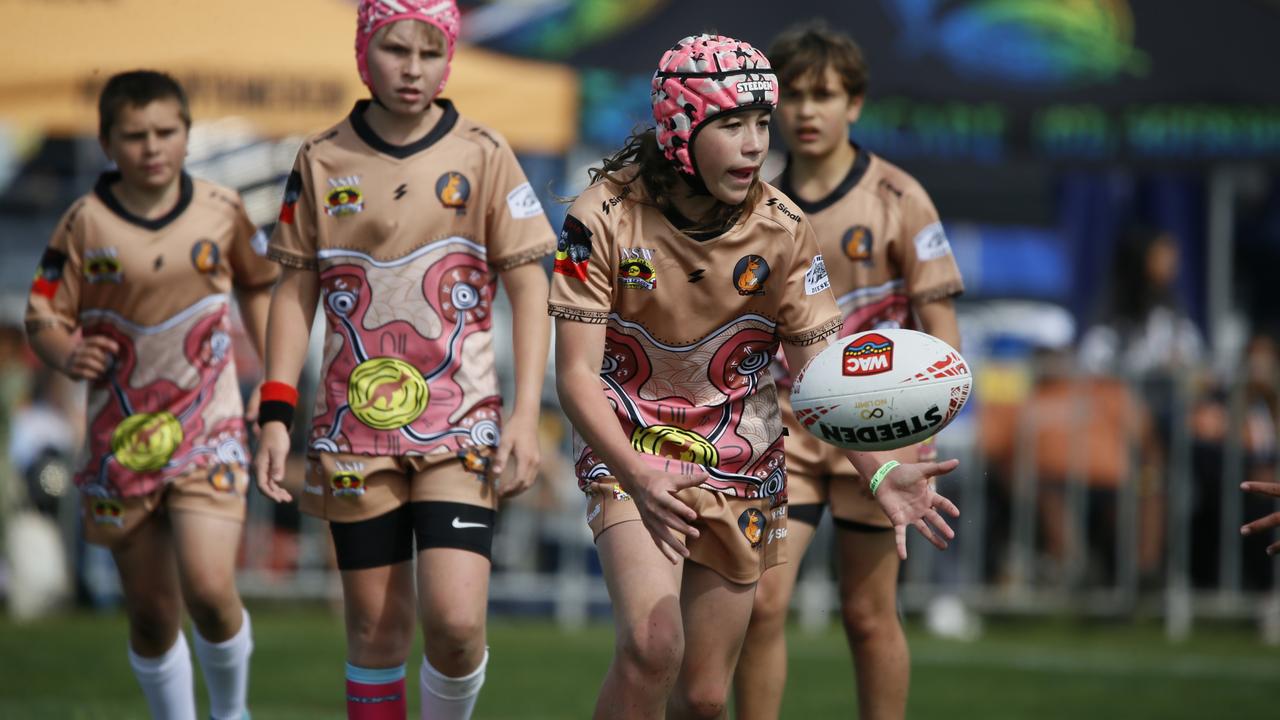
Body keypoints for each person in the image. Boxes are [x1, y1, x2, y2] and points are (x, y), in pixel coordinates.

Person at [550, 33, 960, 720]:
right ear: (680, 127)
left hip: (746, 458)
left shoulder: (783, 226)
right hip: (631, 450)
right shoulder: (600, 218)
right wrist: (639, 474)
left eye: (760, 124)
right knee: (654, 646)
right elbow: (574, 379)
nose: (754, 144)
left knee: (708, 697)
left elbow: (820, 375)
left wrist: (882, 473)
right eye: (732, 123)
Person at [251, 2, 555, 718]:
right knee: (376, 629)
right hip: (354, 430)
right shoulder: (322, 158)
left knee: (454, 624)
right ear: (364, 52)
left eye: (429, 51)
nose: (413, 68)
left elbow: (529, 284)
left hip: (461, 424)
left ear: (449, 56)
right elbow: (293, 290)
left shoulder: (484, 152)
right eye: (395, 49)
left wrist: (523, 414)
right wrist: (274, 414)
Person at [25, 70, 276, 720]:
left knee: (210, 587)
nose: (152, 146)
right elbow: (43, 315)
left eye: (166, 131)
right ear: (108, 142)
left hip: (209, 427)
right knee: (152, 611)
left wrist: (274, 376)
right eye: (134, 135)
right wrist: (67, 352)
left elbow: (257, 282)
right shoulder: (83, 223)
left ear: (188, 135)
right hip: (122, 439)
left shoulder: (221, 208)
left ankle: (231, 711)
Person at [732, 23, 966, 720]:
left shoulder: (899, 197)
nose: (807, 111)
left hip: (879, 426)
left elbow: (939, 325)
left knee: (867, 615)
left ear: (855, 104)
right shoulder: (755, 204)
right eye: (794, 96)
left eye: (824, 95)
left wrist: (926, 427)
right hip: (785, 429)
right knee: (763, 603)